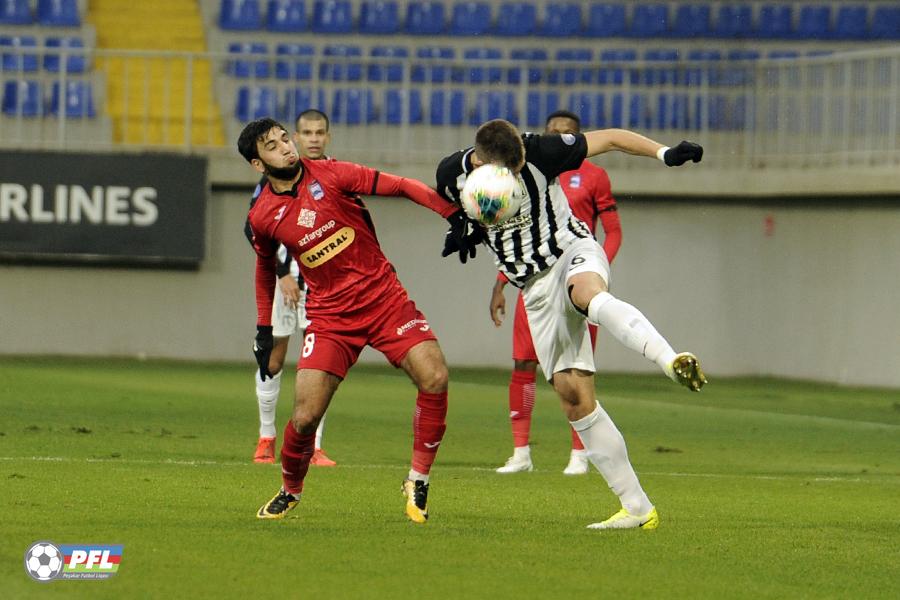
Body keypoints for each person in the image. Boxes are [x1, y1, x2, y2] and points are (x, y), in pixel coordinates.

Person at [436, 120, 707, 530]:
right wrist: (463, 227)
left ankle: (670, 360)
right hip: (533, 288)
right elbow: (450, 206)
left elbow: (613, 137)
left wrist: (663, 153)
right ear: (484, 164)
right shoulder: (450, 174)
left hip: (571, 250)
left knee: (586, 293)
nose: (519, 167)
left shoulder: (542, 150)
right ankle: (637, 508)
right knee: (574, 398)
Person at [240, 117, 478, 522]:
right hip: (330, 317)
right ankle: (290, 489)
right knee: (304, 416)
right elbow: (265, 268)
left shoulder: (333, 173)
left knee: (435, 376)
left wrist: (452, 215)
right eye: (272, 145)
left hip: (385, 301)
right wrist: (265, 326)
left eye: (285, 138)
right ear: (258, 164)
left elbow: (401, 185)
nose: (285, 147)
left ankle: (417, 480)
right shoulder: (263, 215)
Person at [489, 110, 622, 476]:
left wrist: (595, 271)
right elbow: (512, 233)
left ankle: (580, 454)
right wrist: (501, 283)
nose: (557, 136)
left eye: (565, 133)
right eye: (552, 131)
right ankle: (520, 453)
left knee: (576, 370)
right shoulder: (518, 175)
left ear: (577, 139)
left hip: (577, 282)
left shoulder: (595, 177)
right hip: (534, 281)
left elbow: (613, 232)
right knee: (523, 363)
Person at [245, 109, 337, 467]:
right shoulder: (273, 177)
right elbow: (254, 229)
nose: (313, 138)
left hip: (325, 287)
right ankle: (266, 437)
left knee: (322, 364)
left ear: (327, 137)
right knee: (274, 357)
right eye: (306, 133)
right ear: (295, 137)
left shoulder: (334, 174)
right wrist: (282, 272)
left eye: (320, 133)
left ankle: (314, 445)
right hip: (287, 285)